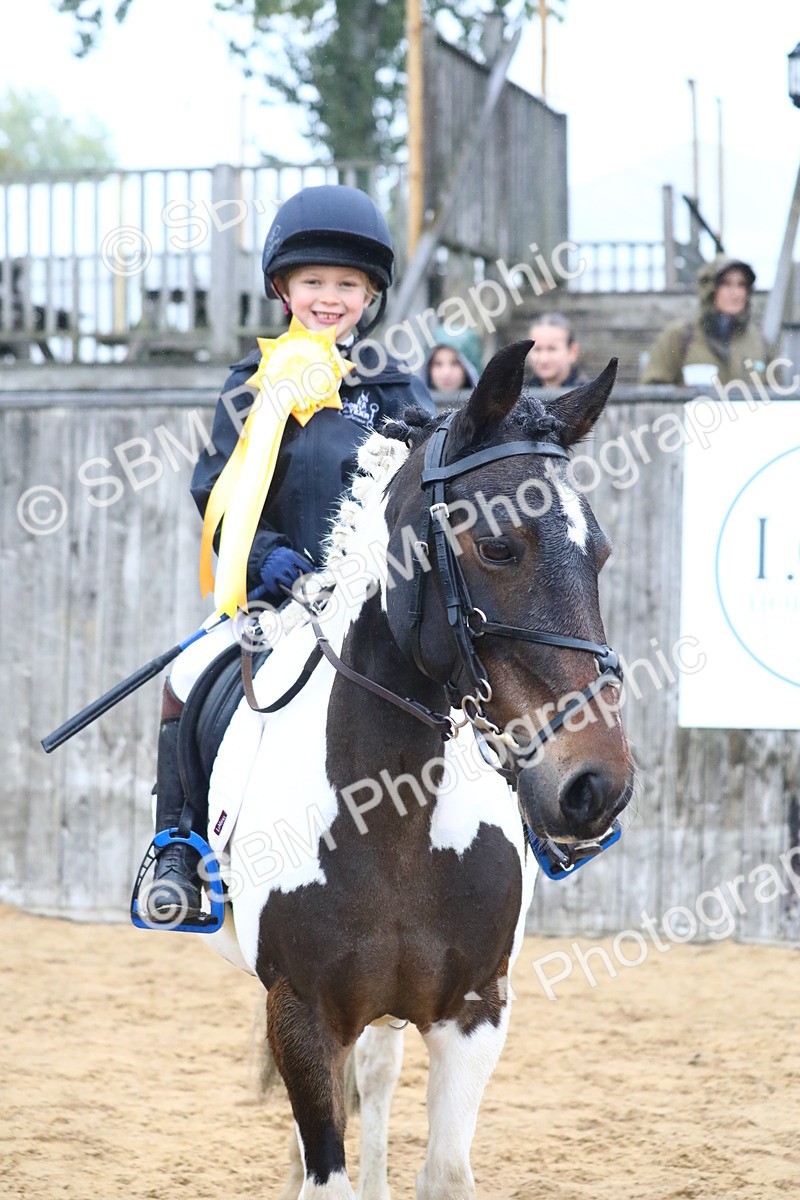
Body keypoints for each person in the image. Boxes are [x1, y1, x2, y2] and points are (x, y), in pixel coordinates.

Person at [146, 184, 435, 921]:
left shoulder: (396, 388)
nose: (330, 297)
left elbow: (430, 487)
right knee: (186, 675)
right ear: (284, 288)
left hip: (382, 597)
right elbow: (216, 489)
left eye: (347, 284)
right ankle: (179, 846)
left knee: (478, 659)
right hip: (279, 596)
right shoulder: (251, 384)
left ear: (370, 295)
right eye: (314, 282)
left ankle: (538, 823)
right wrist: (264, 555)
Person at [640, 255, 771, 386]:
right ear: (710, 289)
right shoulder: (680, 336)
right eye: (726, 284)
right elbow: (653, 390)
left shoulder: (760, 343)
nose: (736, 293)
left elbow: (778, 397)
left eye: (741, 285)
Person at [525, 313, 588, 388]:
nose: (544, 359)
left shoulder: (591, 396)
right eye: (537, 349)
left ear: (572, 352)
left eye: (552, 349)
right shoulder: (519, 394)